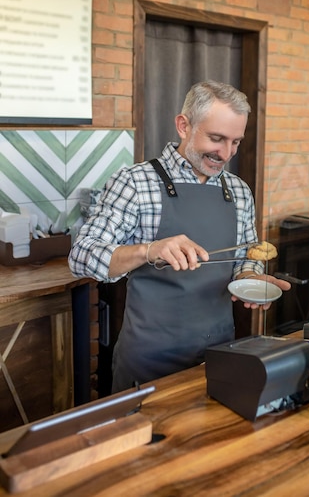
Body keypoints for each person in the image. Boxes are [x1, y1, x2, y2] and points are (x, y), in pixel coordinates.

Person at [69, 81, 290, 392]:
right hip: (148, 361)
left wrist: (253, 279)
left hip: (219, 355)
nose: (226, 153)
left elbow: (244, 260)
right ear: (184, 125)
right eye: (217, 138)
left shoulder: (239, 191)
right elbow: (81, 257)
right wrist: (148, 250)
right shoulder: (135, 182)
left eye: (235, 142)